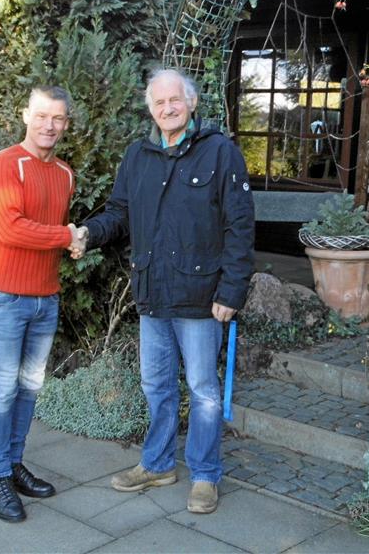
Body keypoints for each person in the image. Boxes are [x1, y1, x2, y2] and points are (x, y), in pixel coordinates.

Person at [76, 69, 254, 514]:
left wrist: (232, 291)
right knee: (156, 385)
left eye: (175, 100)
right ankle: (157, 464)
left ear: (191, 103)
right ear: (150, 108)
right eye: (159, 102)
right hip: (152, 292)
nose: (167, 108)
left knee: (203, 390)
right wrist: (87, 233)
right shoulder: (138, 156)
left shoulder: (220, 152)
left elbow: (240, 225)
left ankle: (205, 475)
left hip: (201, 297)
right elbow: (118, 212)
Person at [0, 85, 85, 522]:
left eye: (58, 118)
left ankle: (15, 465)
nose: (50, 126)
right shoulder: (4, 164)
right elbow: (11, 229)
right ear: (26, 115)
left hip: (45, 298)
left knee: (29, 387)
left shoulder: (65, 173)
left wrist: (71, 242)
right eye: (43, 116)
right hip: (5, 297)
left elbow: (48, 230)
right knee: (3, 388)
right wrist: (68, 237)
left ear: (66, 123)